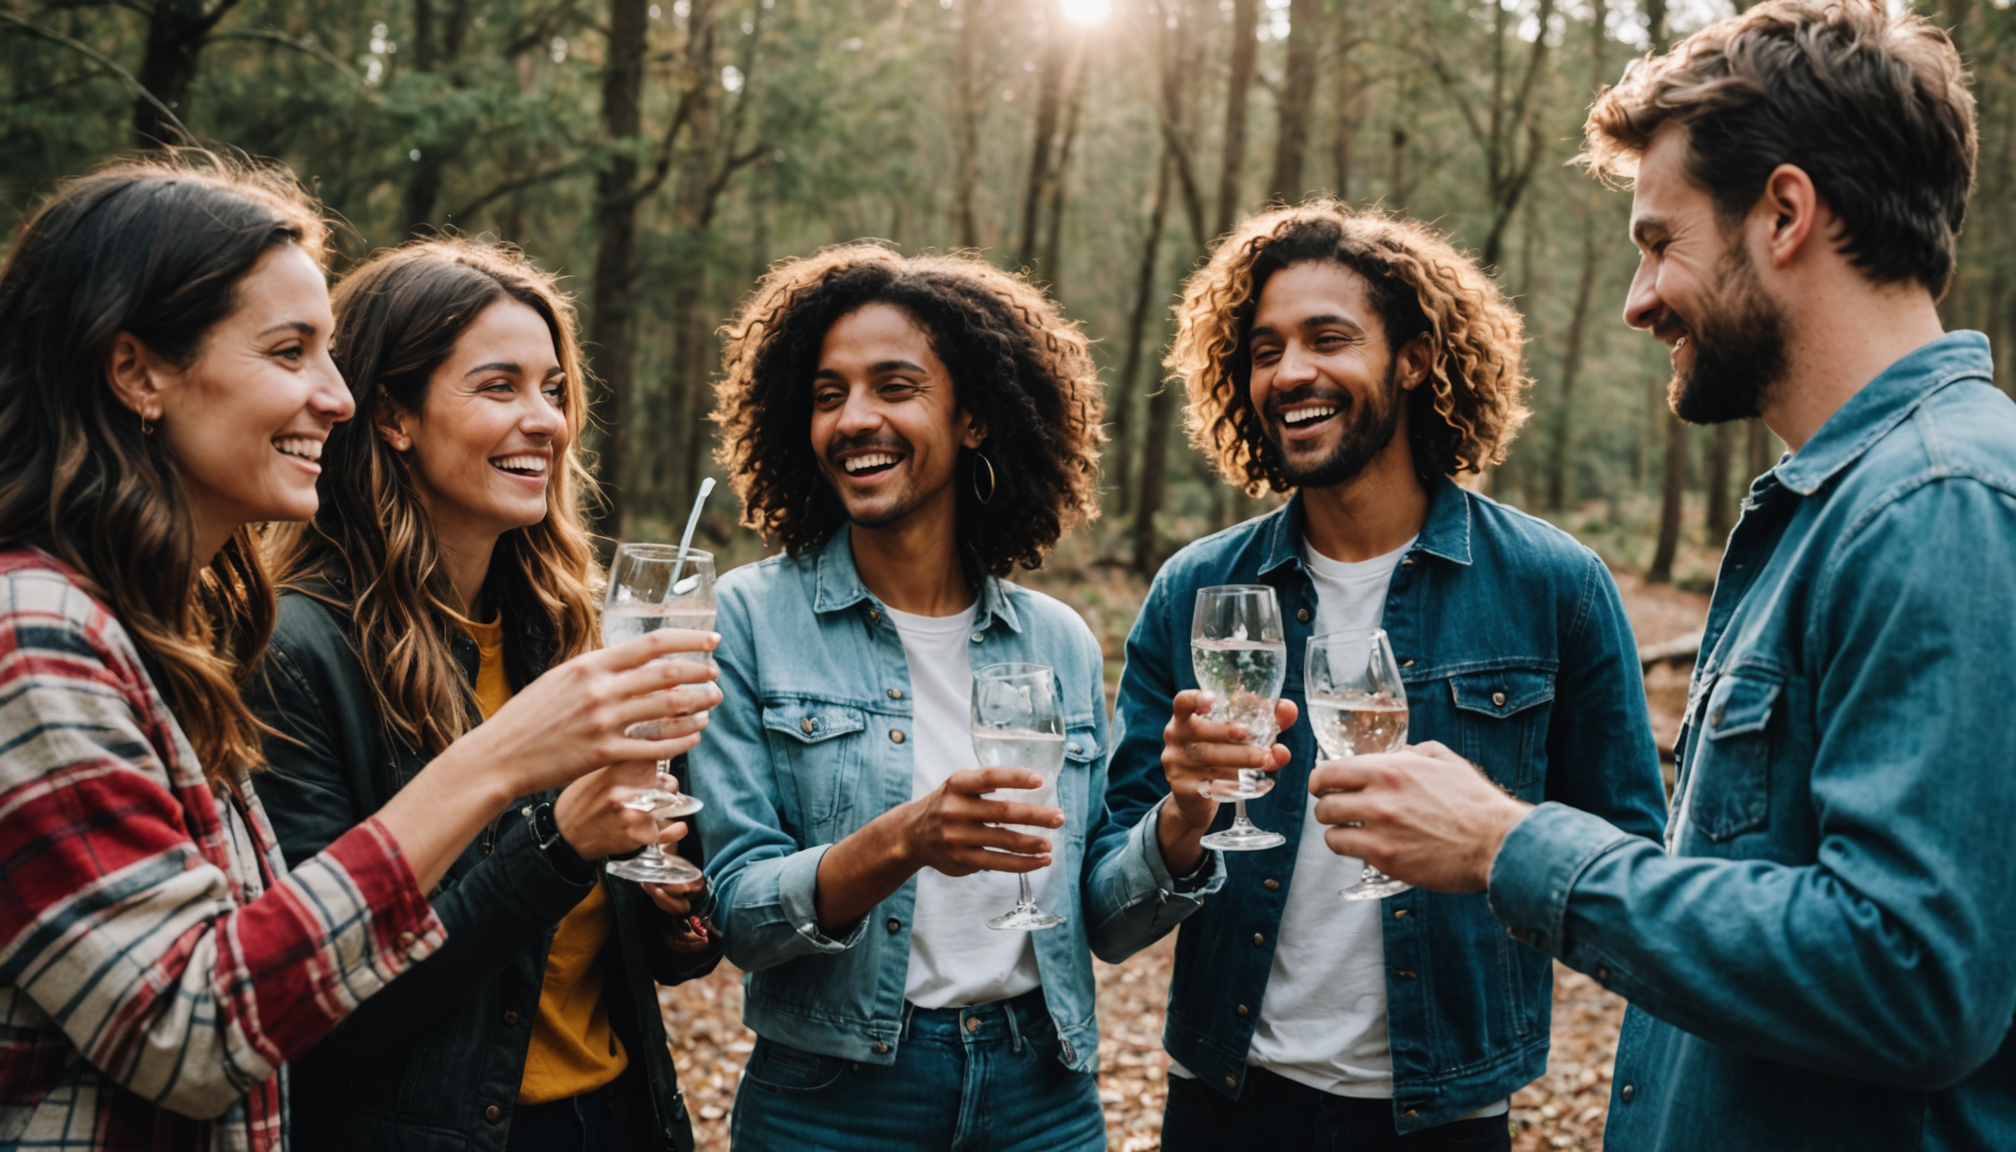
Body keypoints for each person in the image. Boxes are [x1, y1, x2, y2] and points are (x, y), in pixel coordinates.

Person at [1307, 3, 2016, 1149]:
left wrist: (1506, 845)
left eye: (1657, 241)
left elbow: (1913, 977)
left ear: (1785, 213)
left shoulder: (1939, 504)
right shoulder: (1833, 508)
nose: (1640, 301)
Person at [0, 156, 701, 1151]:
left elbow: (264, 961)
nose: (335, 395)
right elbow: (205, 1032)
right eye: (291, 352)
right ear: (136, 372)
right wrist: (505, 771)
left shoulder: (166, 635)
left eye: (331, 355)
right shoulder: (37, 633)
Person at [1097, 202, 1669, 1149]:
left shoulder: (1553, 585)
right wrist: (1182, 820)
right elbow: (1107, 918)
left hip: (1447, 1114)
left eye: (1329, 339)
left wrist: (1484, 837)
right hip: (1225, 1104)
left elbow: (1625, 870)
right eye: (1265, 349)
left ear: (1413, 359)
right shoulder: (1197, 591)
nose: (1292, 373)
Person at [689, 244, 1217, 1151]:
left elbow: (1101, 920)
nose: (855, 419)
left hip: (1041, 1091)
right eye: (828, 395)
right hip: (833, 1097)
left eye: (895, 388)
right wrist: (905, 841)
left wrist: (1182, 822)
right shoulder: (746, 618)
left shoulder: (1055, 638)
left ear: (973, 417)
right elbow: (739, 913)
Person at [245, 238, 723, 1152]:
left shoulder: (577, 635)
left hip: (621, 1118)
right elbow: (321, 1014)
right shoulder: (298, 654)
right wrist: (560, 843)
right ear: (393, 414)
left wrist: (677, 913)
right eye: (499, 387)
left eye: (552, 388)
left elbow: (631, 940)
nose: (544, 419)